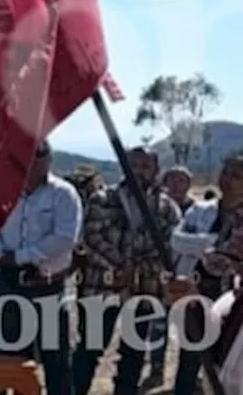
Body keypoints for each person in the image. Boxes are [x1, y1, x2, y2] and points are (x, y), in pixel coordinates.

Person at [73, 146, 182, 395]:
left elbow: (170, 247)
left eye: (145, 166)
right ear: (125, 167)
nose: (139, 172)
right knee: (89, 350)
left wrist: (137, 269)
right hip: (102, 287)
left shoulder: (168, 209)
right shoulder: (102, 199)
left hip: (144, 291)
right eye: (134, 165)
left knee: (133, 355)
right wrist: (120, 266)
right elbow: (92, 238)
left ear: (156, 170)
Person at [0, 141, 80, 395]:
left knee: (56, 363)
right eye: (26, 155)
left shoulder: (64, 194)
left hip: (48, 287)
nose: (33, 161)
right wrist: (1, 256)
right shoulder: (0, 193)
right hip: (8, 286)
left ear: (50, 159)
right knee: (6, 361)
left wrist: (22, 257)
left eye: (40, 155)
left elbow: (65, 237)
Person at [168, 156, 243, 395]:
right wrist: (211, 244)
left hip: (229, 295)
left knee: (221, 356)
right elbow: (177, 240)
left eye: (236, 176)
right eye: (226, 172)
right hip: (196, 290)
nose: (228, 180)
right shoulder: (200, 209)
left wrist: (206, 247)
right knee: (190, 354)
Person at [146, 164, 198, 386]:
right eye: (172, 179)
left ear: (189, 185)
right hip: (161, 277)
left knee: (191, 330)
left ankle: (192, 373)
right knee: (158, 324)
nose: (176, 185)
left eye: (181, 180)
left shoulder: (199, 212)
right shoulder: (154, 208)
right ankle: (157, 367)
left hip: (188, 279)